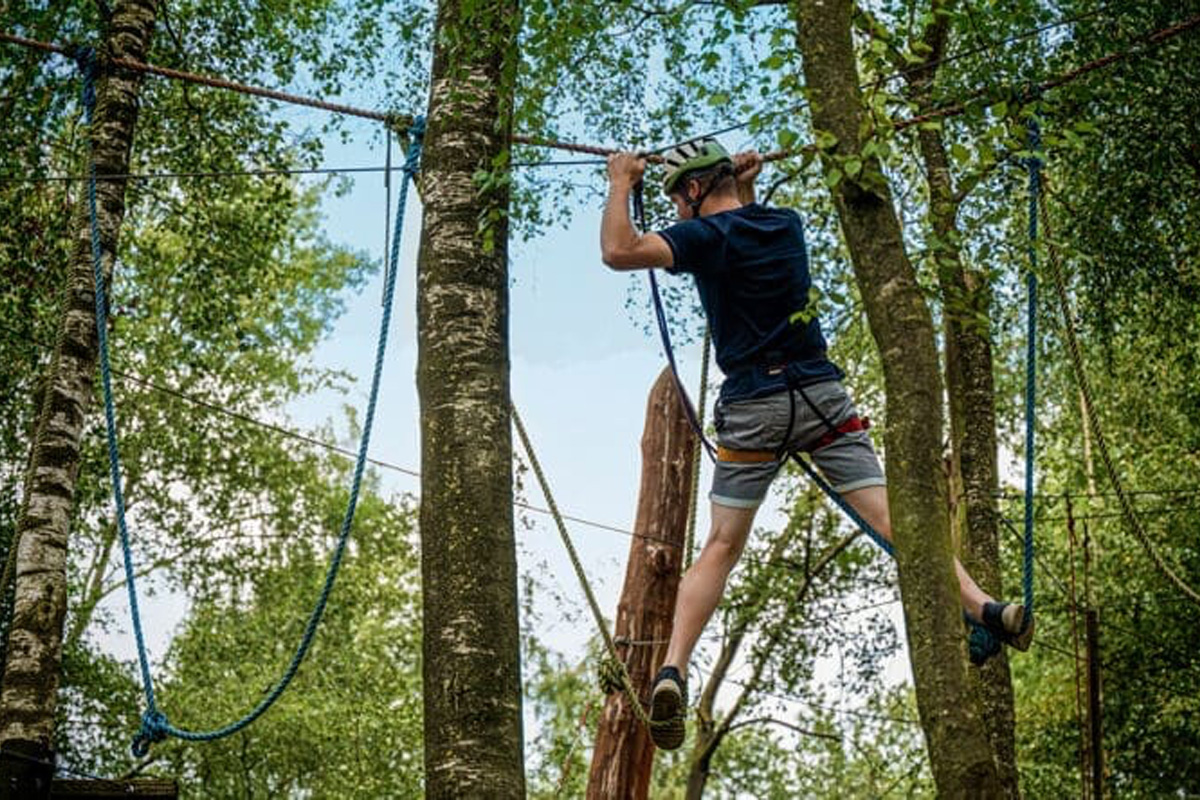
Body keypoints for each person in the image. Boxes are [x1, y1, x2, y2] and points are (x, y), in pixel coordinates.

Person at [599, 137, 1034, 751]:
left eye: (676, 198)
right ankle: (986, 607)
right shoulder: (784, 226)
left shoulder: (703, 240)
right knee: (898, 523)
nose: (673, 212)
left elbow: (619, 250)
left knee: (722, 545)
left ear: (695, 190)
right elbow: (745, 229)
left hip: (754, 408)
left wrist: (621, 181)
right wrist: (743, 188)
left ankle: (672, 668)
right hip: (820, 397)